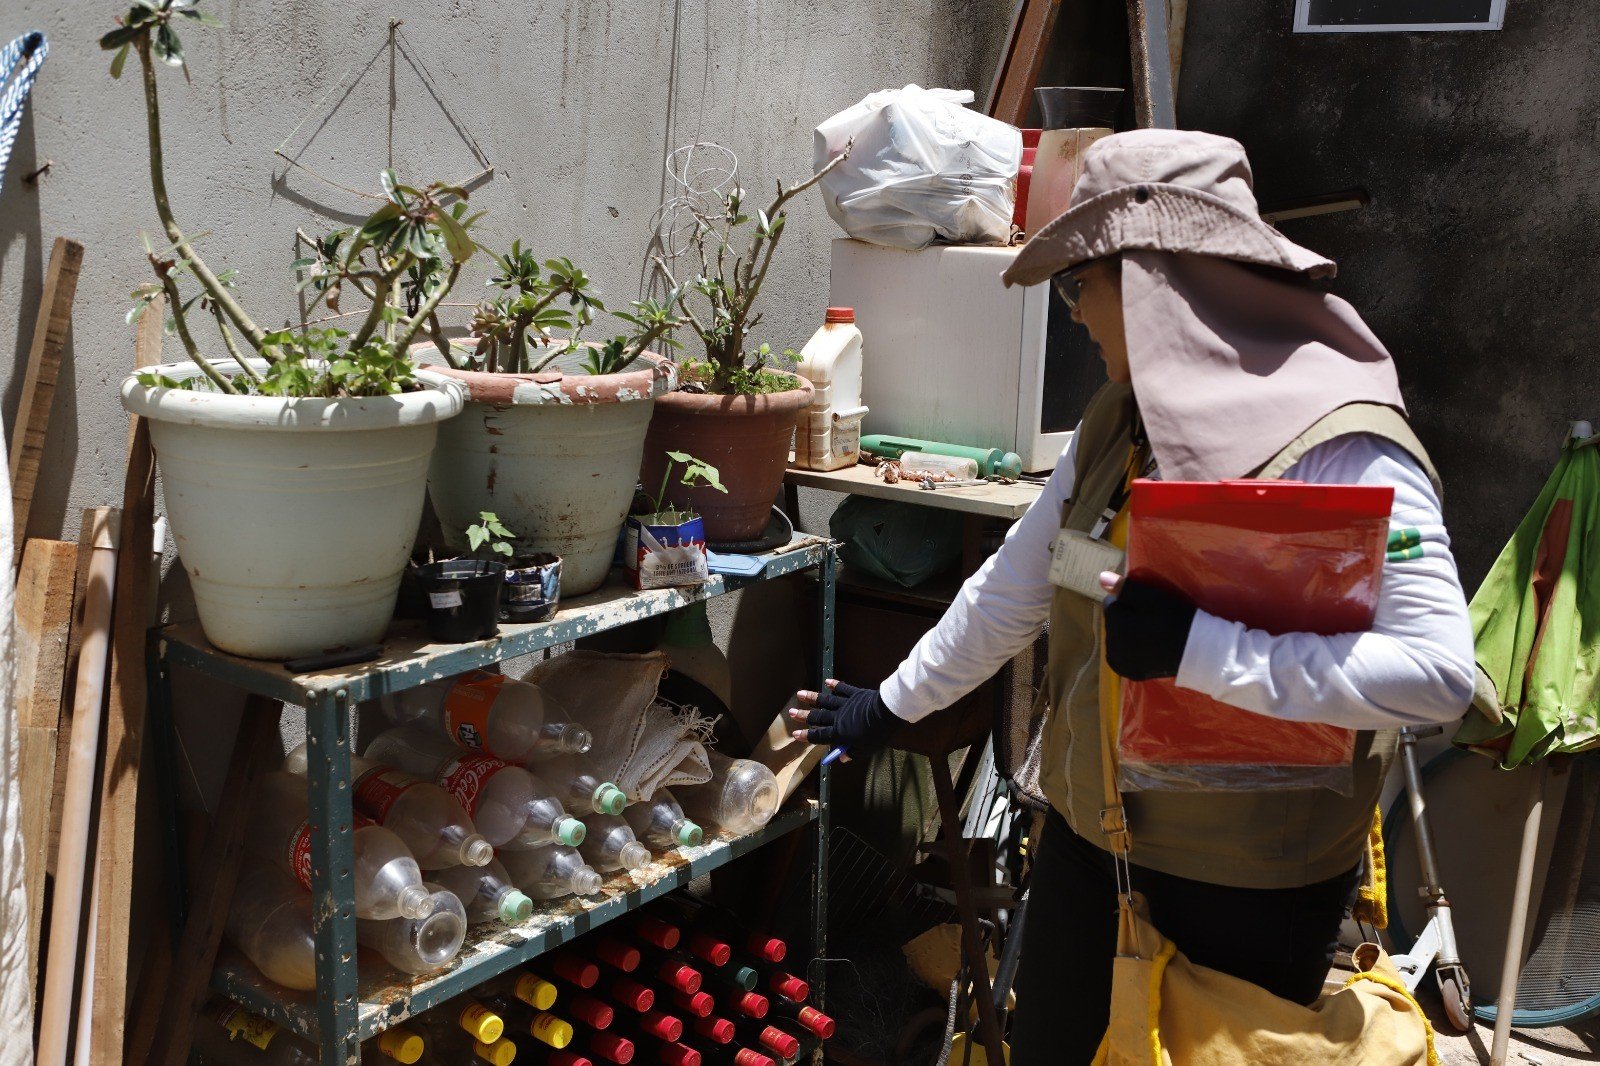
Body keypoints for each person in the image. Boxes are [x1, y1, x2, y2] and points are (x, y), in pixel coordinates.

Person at [791, 129, 1475, 1064]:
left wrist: (1200, 647)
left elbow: (1437, 676)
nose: (1076, 314)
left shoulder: (1346, 445)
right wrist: (890, 704)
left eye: (1083, 284)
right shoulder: (1122, 421)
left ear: (1158, 282)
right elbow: (1025, 579)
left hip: (1252, 882)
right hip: (1091, 840)